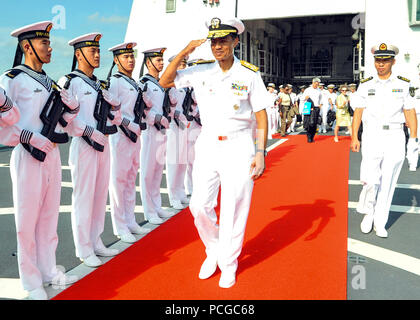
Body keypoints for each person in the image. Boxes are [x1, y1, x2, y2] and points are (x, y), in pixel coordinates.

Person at [159, 17, 268, 288]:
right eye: (214, 41)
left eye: (223, 40)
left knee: (234, 208)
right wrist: (184, 52)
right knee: (198, 205)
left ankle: (229, 264)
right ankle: (214, 249)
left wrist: (261, 152)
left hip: (239, 145)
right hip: (208, 144)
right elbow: (164, 81)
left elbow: (261, 115)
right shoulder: (200, 71)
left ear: (235, 41)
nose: (217, 46)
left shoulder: (249, 74)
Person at [0, 21, 79, 300]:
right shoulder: (12, 78)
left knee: (49, 217)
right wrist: (29, 138)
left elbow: (64, 119)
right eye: (44, 43)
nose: (49, 48)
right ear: (27, 46)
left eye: (48, 42)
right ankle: (31, 280)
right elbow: (3, 123)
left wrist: (72, 108)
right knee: (27, 221)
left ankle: (48, 270)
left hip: (52, 155)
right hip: (28, 155)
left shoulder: (50, 81)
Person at [58, 33, 122, 267]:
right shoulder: (69, 81)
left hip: (103, 143)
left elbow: (114, 118)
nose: (97, 55)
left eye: (98, 51)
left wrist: (116, 107)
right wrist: (87, 131)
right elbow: (64, 117)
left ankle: (96, 241)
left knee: (98, 195)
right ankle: (83, 248)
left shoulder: (100, 84)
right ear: (78, 54)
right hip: (84, 145)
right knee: (83, 197)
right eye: (92, 51)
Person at [351, 43, 418, 238]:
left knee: (388, 181)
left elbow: (410, 112)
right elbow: (358, 112)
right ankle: (368, 212)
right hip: (372, 135)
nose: (380, 64)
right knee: (370, 180)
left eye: (385, 61)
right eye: (378, 60)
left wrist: (413, 139)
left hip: (395, 136)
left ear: (393, 62)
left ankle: (380, 221)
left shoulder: (404, 84)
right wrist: (354, 136)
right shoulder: (366, 84)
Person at [106, 42, 151, 244]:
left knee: (131, 177)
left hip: (135, 136)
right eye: (126, 57)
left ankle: (130, 220)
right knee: (119, 181)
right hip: (120, 136)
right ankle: (120, 225)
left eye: (132, 56)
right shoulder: (114, 82)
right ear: (116, 60)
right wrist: (127, 123)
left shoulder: (135, 83)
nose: (130, 60)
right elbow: (110, 112)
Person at [138, 47, 172, 225]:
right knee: (148, 171)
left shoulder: (161, 82)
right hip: (150, 131)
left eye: (161, 59)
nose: (161, 63)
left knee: (158, 170)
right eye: (157, 60)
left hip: (162, 130)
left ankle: (157, 206)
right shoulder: (144, 83)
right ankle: (149, 210)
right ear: (148, 62)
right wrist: (156, 118)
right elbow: (141, 110)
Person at [166, 55, 189, 210]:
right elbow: (167, 106)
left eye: (184, 64)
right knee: (173, 163)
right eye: (181, 64)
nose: (183, 67)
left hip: (184, 125)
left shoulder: (186, 85)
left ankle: (181, 192)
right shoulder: (170, 83)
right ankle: (173, 196)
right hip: (173, 127)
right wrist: (177, 116)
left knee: (182, 162)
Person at [406, 65, 420, 171]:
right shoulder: (413, 84)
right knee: (414, 139)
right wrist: (406, 118)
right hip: (415, 115)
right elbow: (407, 102)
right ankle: (412, 162)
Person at [303, 77, 323, 142]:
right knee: (309, 123)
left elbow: (320, 99)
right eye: (315, 84)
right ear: (313, 83)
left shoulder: (319, 90)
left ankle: (312, 137)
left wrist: (320, 105)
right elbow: (302, 98)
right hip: (310, 108)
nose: (316, 86)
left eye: (318, 84)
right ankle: (309, 137)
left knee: (315, 123)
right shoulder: (308, 90)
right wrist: (305, 98)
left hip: (316, 108)